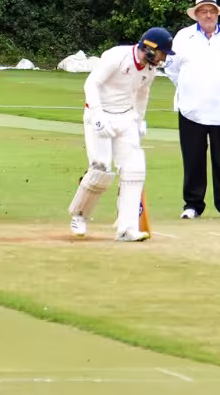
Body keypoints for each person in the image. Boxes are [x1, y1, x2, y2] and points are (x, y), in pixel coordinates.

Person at [67, 27, 172, 242]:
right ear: (150, 48)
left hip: (125, 117)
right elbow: (92, 83)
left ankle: (127, 228)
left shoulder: (149, 71)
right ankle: (79, 215)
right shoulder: (117, 56)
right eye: (161, 53)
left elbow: (142, 94)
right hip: (100, 115)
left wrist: (139, 120)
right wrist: (97, 115)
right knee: (101, 170)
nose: (162, 59)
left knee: (135, 169)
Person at [166, 0, 220, 220]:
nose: (208, 15)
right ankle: (192, 205)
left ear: (217, 13)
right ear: (196, 15)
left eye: (212, 11)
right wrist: (190, 87)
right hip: (192, 108)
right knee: (193, 159)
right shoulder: (183, 37)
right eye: (203, 11)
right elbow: (171, 69)